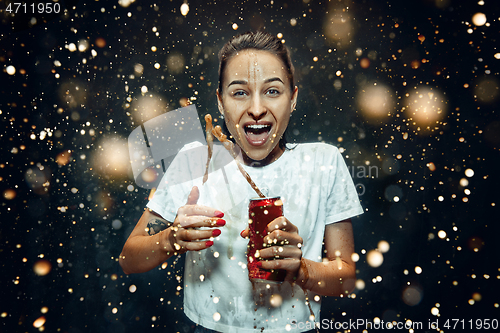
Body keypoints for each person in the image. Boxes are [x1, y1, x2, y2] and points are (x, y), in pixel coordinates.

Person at [119, 31, 363, 332]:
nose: (257, 108)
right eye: (239, 92)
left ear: (293, 98)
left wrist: (300, 269)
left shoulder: (324, 163)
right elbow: (129, 259)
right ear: (220, 102)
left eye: (272, 91)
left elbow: (346, 280)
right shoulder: (194, 162)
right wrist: (171, 239)